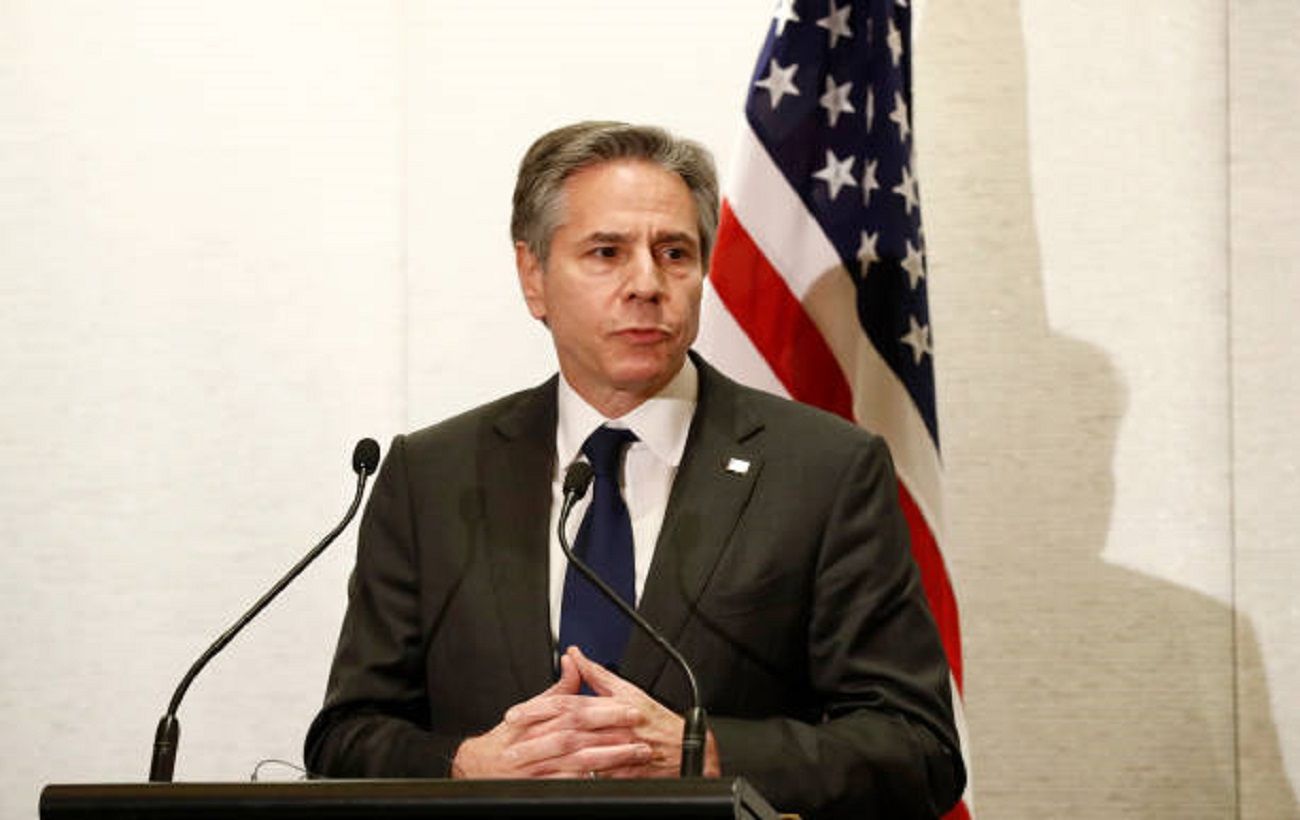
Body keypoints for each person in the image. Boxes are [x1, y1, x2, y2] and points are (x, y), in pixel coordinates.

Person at [304, 121, 965, 818]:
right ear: (534, 276)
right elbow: (346, 736)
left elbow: (918, 749)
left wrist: (708, 755)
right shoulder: (431, 478)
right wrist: (464, 766)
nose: (647, 284)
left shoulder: (825, 472)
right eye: (607, 252)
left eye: (674, 253)